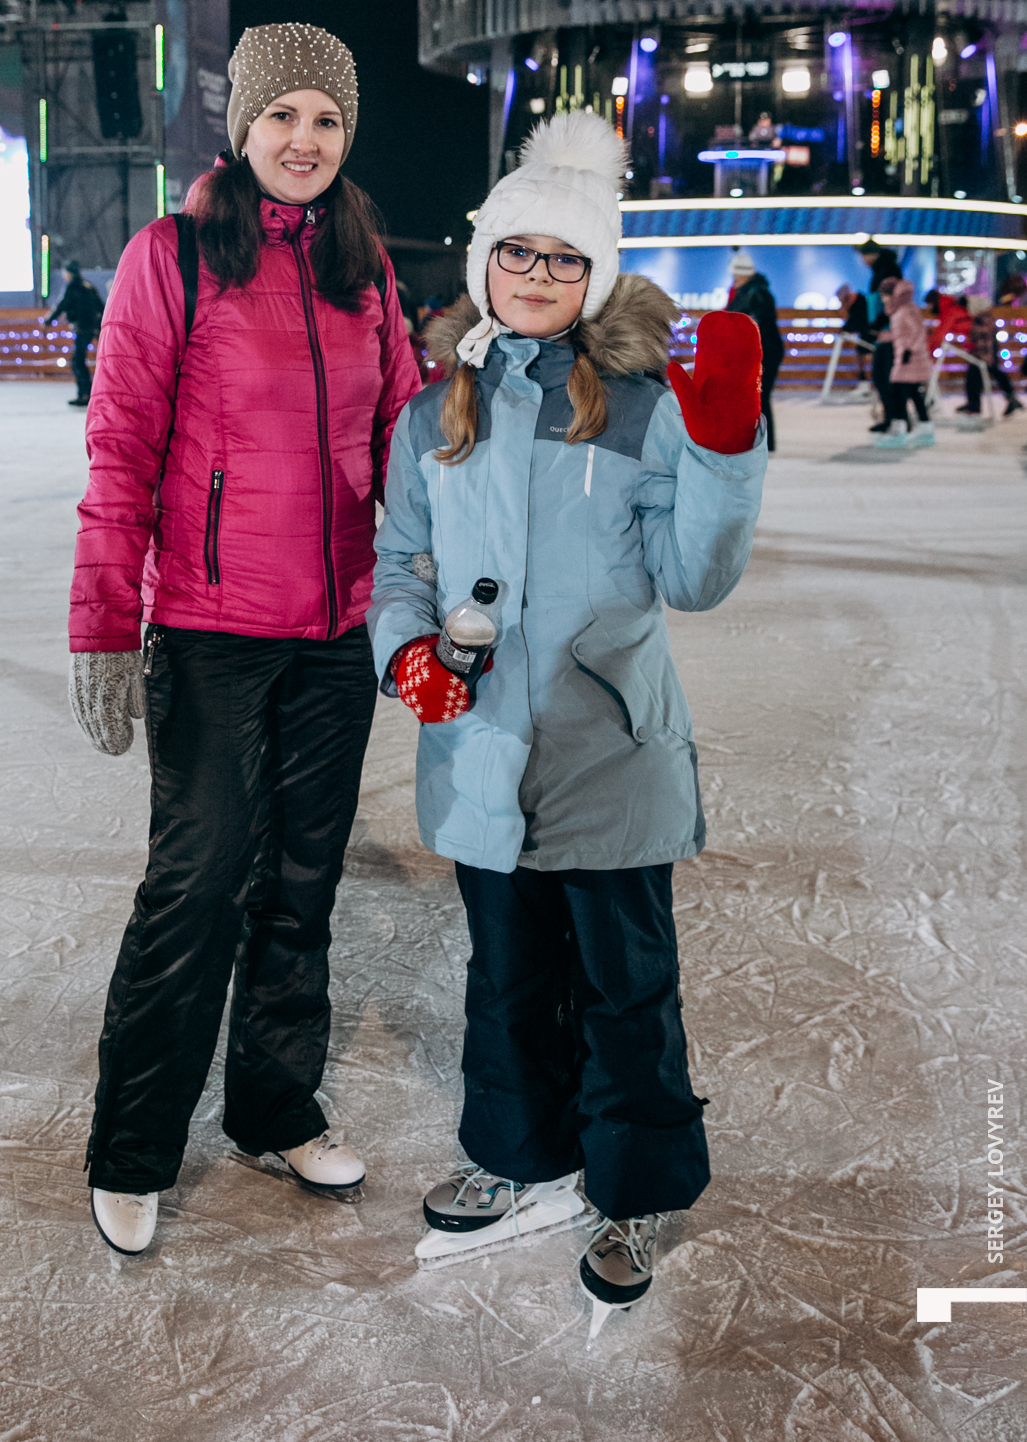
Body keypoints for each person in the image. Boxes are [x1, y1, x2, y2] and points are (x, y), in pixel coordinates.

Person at [369, 111, 766, 1319]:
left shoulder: (639, 408)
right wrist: (406, 655)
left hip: (608, 754)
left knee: (623, 987)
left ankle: (634, 1183)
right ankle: (514, 1151)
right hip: (482, 746)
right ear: (483, 260)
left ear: (594, 277)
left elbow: (693, 579)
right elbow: (399, 562)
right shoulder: (432, 415)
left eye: (563, 258)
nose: (536, 274)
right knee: (504, 977)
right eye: (517, 251)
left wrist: (722, 449)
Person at [67, 22, 420, 1258]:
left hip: (337, 634)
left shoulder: (364, 265)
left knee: (300, 885)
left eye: (325, 119)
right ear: (242, 127)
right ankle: (133, 1147)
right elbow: (120, 447)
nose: (303, 140)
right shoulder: (171, 256)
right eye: (282, 116)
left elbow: (404, 440)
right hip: (211, 629)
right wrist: (104, 625)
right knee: (197, 884)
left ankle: (276, 1109)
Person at [725, 250, 784, 450]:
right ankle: (761, 441)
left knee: (759, 396)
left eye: (736, 275)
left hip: (763, 352)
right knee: (756, 397)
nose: (734, 278)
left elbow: (755, 325)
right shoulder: (752, 291)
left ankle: (763, 442)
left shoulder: (755, 294)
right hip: (764, 351)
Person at [869, 277, 934, 446]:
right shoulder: (900, 309)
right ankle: (925, 427)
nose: (883, 299)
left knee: (896, 392)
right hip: (905, 357)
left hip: (908, 359)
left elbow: (917, 332)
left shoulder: (905, 310)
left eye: (885, 295)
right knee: (912, 392)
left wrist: (908, 351)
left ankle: (899, 431)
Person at [46, 261, 106, 407]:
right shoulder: (88, 286)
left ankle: (85, 394)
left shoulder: (72, 288)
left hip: (83, 328)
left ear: (68, 273)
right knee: (82, 360)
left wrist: (48, 321)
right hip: (94, 328)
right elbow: (101, 306)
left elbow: (62, 305)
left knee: (77, 361)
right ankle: (89, 393)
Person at [856, 239, 902, 417]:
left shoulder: (887, 270)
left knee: (886, 377)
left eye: (864, 255)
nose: (863, 260)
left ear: (873, 254)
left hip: (889, 332)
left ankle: (895, 417)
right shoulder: (880, 270)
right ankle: (889, 416)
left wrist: (876, 325)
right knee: (881, 377)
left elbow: (891, 303)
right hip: (882, 332)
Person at [963, 296, 1021, 416]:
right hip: (984, 355)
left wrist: (977, 353)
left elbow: (982, 340)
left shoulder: (981, 321)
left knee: (975, 379)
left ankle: (973, 407)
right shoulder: (985, 319)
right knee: (985, 375)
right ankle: (974, 405)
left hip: (982, 356)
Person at [835, 282, 871, 388]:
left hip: (870, 334)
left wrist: (844, 329)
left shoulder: (858, 302)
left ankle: (865, 383)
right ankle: (863, 382)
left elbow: (858, 321)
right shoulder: (856, 302)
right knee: (860, 354)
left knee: (865, 355)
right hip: (866, 334)